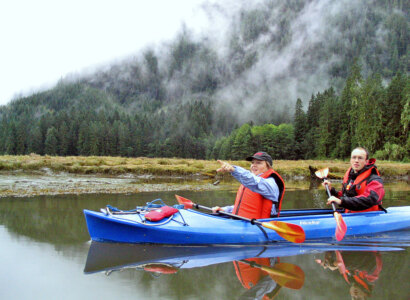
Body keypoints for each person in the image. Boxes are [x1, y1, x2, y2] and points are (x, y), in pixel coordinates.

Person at [213, 151, 285, 218]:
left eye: (258, 163)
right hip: (243, 222)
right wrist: (225, 210)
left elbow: (254, 182)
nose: (254, 165)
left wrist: (234, 170)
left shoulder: (270, 183)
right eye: (253, 163)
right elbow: (244, 206)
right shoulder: (252, 180)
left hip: (259, 225)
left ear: (268, 166)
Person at [324, 147, 385, 213]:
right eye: (354, 157)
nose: (356, 160)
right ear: (350, 160)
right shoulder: (351, 177)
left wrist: (341, 201)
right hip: (351, 215)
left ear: (366, 161)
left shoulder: (374, 179)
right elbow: (345, 196)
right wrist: (331, 191)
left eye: (360, 158)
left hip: (369, 217)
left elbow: (370, 199)